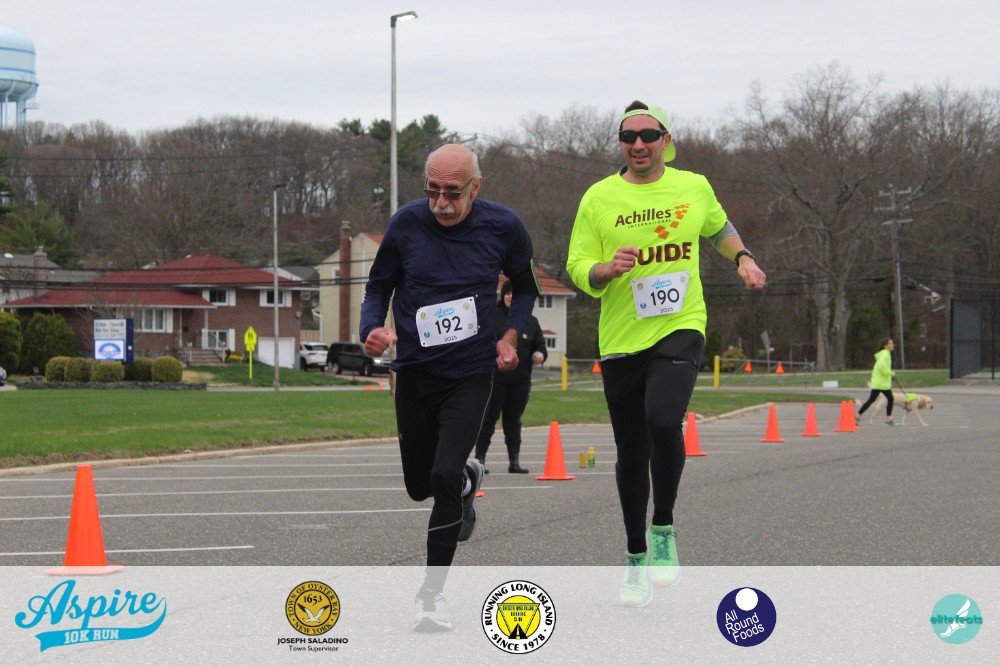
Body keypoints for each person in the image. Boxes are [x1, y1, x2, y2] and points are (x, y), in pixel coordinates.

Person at [566, 100, 766, 608]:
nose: (638, 144)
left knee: (663, 418)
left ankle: (663, 529)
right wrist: (605, 270)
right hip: (621, 338)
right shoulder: (598, 197)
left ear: (665, 140)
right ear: (620, 143)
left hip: (681, 324)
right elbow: (577, 265)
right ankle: (635, 557)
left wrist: (743, 258)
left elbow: (718, 229)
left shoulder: (693, 186)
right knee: (632, 454)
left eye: (648, 135)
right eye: (627, 136)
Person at [361, 143, 540, 632]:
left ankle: (431, 596)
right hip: (415, 371)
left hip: (470, 373)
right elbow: (378, 286)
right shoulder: (406, 223)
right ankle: (466, 479)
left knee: (441, 476)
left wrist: (509, 337)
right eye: (433, 190)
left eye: (452, 192)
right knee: (420, 486)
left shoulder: (503, 226)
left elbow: (526, 288)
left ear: (475, 187)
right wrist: (371, 329)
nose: (441, 202)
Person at [475, 280, 548, 474]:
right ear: (503, 296)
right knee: (488, 420)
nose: (511, 297)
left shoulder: (531, 321)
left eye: (515, 293)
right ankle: (480, 460)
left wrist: (539, 355)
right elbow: (482, 342)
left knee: (514, 422)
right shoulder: (493, 316)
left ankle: (514, 461)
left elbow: (540, 346)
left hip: (520, 381)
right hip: (494, 379)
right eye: (508, 293)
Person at [857, 337, 898, 426]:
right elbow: (881, 366)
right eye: (891, 343)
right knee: (890, 399)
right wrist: (891, 373)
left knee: (871, 400)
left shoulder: (883, 353)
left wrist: (889, 373)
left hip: (878, 382)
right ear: (886, 346)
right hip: (882, 384)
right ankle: (889, 419)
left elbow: (881, 366)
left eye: (892, 343)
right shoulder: (885, 354)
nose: (893, 345)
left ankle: (857, 415)